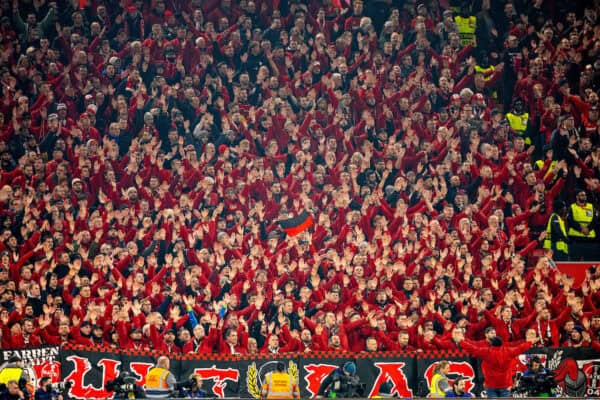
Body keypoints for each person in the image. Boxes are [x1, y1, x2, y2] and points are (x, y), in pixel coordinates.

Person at [460, 335, 539, 397]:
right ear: (502, 343)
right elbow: (521, 348)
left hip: (491, 385)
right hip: (505, 385)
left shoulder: (487, 352)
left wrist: (461, 341)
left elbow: (473, 348)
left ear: (492, 344)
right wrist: (530, 342)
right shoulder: (508, 351)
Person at [567, 189, 598, 260]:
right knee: (575, 260)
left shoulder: (591, 206)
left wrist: (588, 228)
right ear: (577, 197)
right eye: (582, 195)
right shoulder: (572, 207)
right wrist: (580, 228)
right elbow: (570, 220)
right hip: (575, 238)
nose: (584, 197)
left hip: (589, 238)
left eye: (585, 195)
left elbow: (595, 220)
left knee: (590, 261)